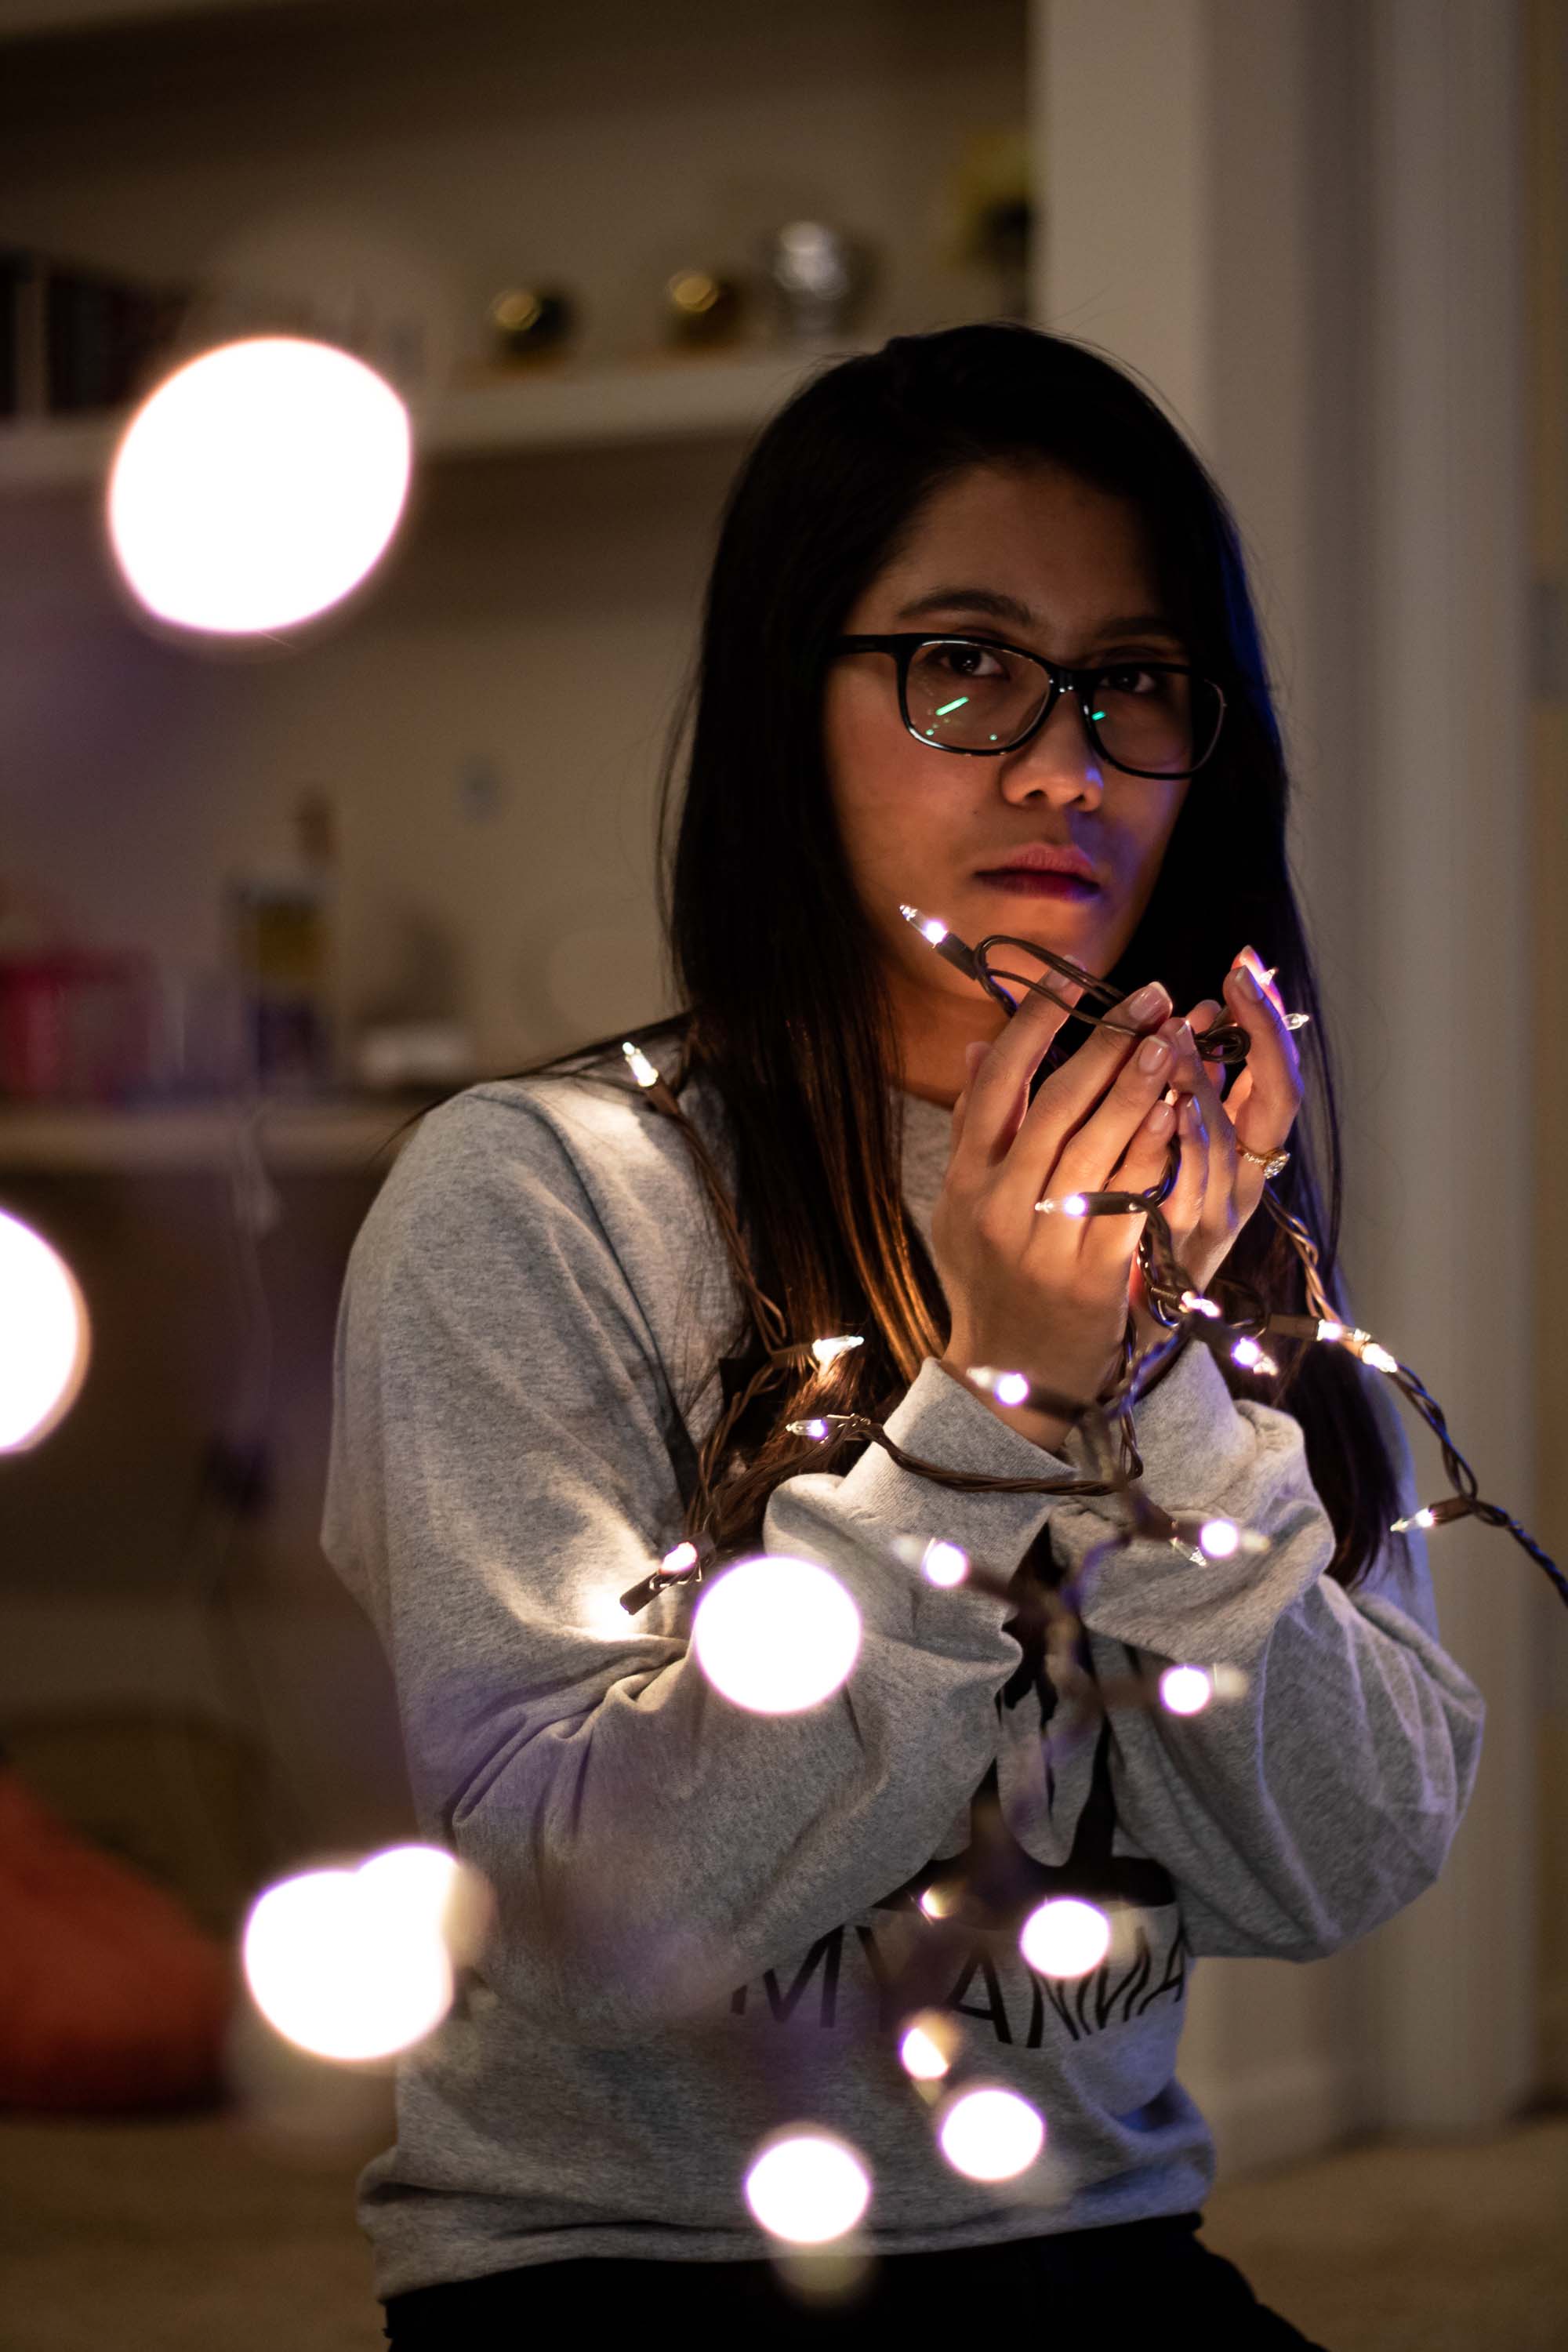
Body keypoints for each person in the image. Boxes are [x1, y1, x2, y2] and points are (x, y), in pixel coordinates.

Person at [320, 324, 1486, 2347]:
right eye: (963, 664)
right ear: (800, 704)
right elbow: (601, 1926)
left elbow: (1348, 1863)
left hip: (1094, 2243)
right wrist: (996, 1410)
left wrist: (1165, 1398)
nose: (1060, 762)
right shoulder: (539, 1200)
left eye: (1133, 680)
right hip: (632, 2275)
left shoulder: (1203, 1188)